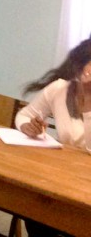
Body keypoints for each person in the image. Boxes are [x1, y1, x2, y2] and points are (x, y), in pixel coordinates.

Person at [16, 39, 91, 237]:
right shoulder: (60, 89)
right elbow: (24, 115)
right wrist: (28, 127)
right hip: (65, 175)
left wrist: (88, 107)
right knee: (35, 210)